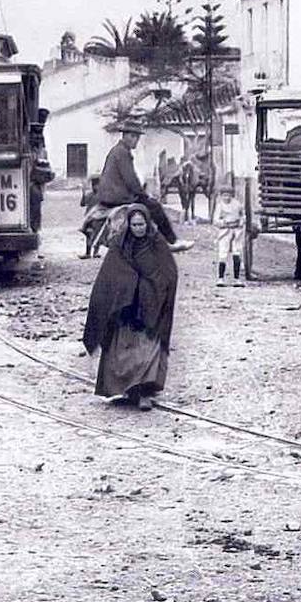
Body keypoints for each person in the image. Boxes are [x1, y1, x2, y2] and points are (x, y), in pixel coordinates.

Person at [82, 205, 180, 411]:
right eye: (134, 225)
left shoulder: (156, 243)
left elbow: (169, 271)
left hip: (152, 305)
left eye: (141, 224)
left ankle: (145, 391)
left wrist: (152, 286)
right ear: (129, 225)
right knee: (125, 351)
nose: (138, 228)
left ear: (147, 223)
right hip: (127, 308)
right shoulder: (120, 244)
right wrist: (129, 285)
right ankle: (129, 389)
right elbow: (111, 275)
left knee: (147, 351)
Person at [96, 122, 193, 252]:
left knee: (149, 203)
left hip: (109, 194)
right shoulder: (122, 153)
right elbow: (130, 179)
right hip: (118, 196)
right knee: (155, 206)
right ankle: (172, 241)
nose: (136, 140)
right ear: (124, 136)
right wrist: (142, 194)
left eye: (137, 137)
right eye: (133, 136)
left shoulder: (116, 151)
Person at [213, 184, 245, 286]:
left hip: (236, 231)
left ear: (232, 195)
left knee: (237, 253)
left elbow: (243, 215)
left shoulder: (237, 205)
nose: (226, 197)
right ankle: (220, 278)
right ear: (221, 196)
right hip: (225, 231)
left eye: (228, 195)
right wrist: (224, 222)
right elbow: (215, 220)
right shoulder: (219, 206)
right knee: (223, 253)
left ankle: (237, 279)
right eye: (224, 195)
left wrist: (241, 221)